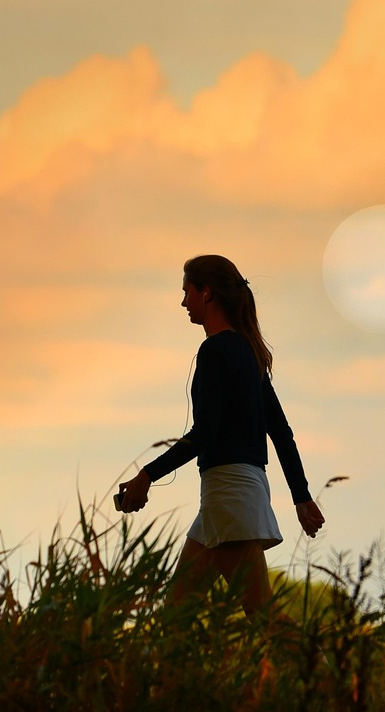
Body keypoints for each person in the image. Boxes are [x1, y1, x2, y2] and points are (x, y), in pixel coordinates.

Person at [117, 255, 326, 619]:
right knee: (175, 614)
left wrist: (146, 475)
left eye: (187, 292)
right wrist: (301, 496)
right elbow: (280, 431)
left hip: (230, 494)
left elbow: (205, 435)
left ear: (206, 292)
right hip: (228, 496)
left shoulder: (215, 350)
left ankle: (326, 676)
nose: (183, 302)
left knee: (264, 615)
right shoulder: (249, 354)